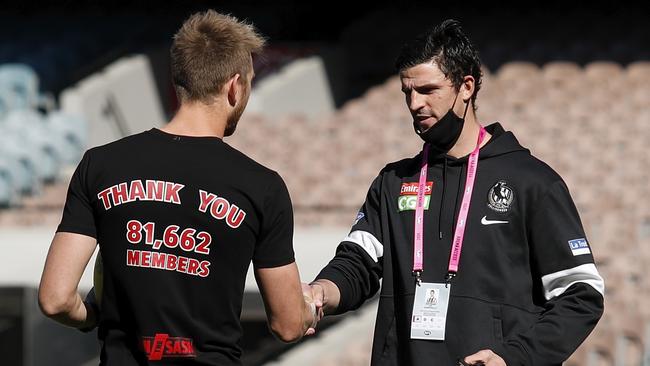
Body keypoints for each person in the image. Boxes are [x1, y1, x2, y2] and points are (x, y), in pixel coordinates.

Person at [303, 19, 604, 366]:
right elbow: (358, 264)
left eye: (428, 90)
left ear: (466, 87)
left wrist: (515, 357)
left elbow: (582, 294)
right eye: (407, 92)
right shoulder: (394, 182)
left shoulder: (532, 182)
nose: (415, 104)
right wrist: (321, 291)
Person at [38, 10, 317, 365]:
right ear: (234, 86)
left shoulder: (101, 164)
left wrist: (93, 316)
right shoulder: (263, 187)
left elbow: (55, 299)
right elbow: (289, 324)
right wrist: (309, 309)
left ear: (178, 80)